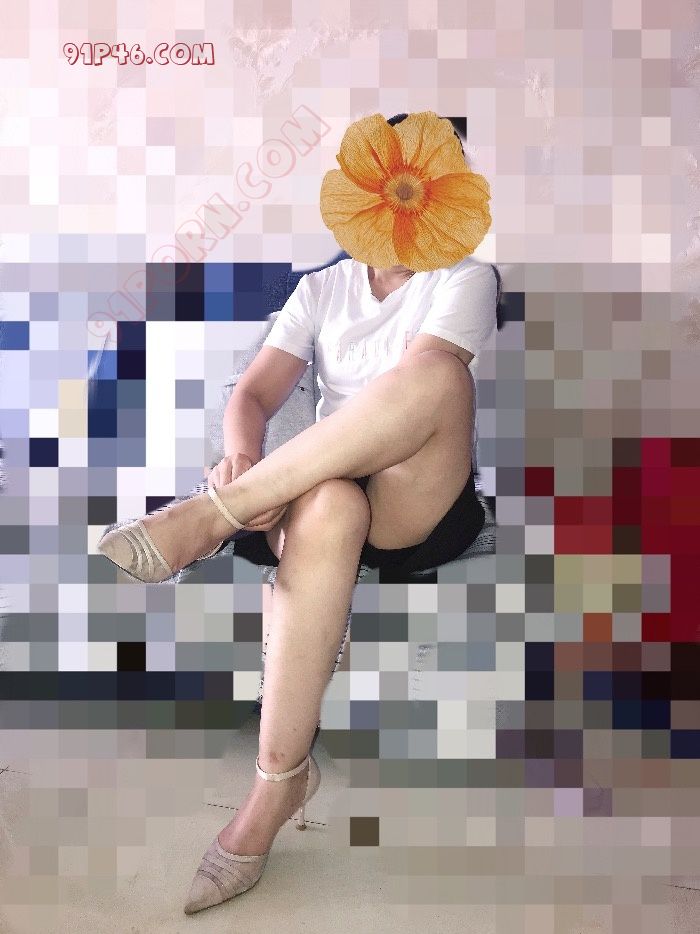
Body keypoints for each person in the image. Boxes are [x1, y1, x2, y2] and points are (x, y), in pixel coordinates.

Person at [96, 111, 498, 914]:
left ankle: (211, 518)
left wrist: (247, 493)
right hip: (323, 494)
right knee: (332, 500)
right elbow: (254, 393)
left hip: (417, 493)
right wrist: (242, 454)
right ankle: (275, 786)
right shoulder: (323, 287)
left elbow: (424, 386)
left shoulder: (465, 278)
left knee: (437, 376)